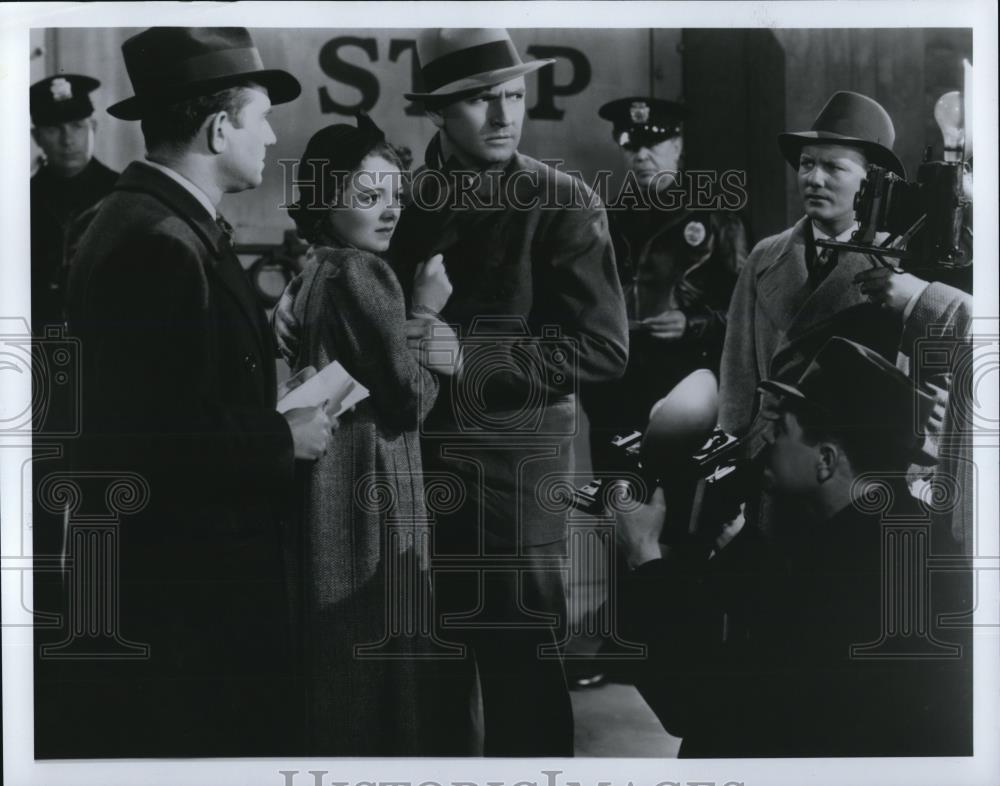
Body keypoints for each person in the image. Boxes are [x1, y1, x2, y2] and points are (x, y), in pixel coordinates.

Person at [275, 27, 629, 756]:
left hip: (510, 483)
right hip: (404, 473)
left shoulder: (562, 200)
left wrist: (466, 353)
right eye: (478, 101)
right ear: (438, 111)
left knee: (520, 676)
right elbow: (353, 274)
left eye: (513, 96)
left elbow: (604, 349)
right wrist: (299, 292)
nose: (504, 116)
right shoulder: (402, 190)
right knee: (421, 682)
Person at [56, 27, 333, 758]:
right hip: (191, 589)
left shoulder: (141, 218)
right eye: (260, 117)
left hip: (176, 575)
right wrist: (287, 436)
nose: (272, 136)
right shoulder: (160, 242)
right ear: (218, 128)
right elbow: (152, 437)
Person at [616, 337, 973, 757]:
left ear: (825, 460)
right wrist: (738, 541)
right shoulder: (908, 530)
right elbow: (795, 609)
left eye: (782, 430)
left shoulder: (843, 578)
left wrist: (644, 556)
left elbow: (693, 705)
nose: (766, 439)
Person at [282, 116, 457, 755]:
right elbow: (409, 401)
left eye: (395, 196)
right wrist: (428, 316)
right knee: (380, 653)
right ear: (328, 200)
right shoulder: (366, 274)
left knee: (342, 659)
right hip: (372, 488)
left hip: (332, 485)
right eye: (368, 197)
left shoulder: (317, 267)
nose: (389, 212)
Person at [586, 97, 747, 471]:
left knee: (681, 512)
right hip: (617, 393)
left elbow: (747, 317)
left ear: (677, 145)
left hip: (687, 387)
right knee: (620, 509)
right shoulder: (602, 220)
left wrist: (691, 325)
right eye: (630, 145)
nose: (641, 156)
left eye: (652, 144)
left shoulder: (718, 219)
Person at [30, 74, 118, 334]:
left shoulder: (122, 194)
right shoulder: (19, 201)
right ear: (36, 137)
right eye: (54, 129)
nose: (67, 140)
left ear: (94, 127)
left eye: (77, 126)